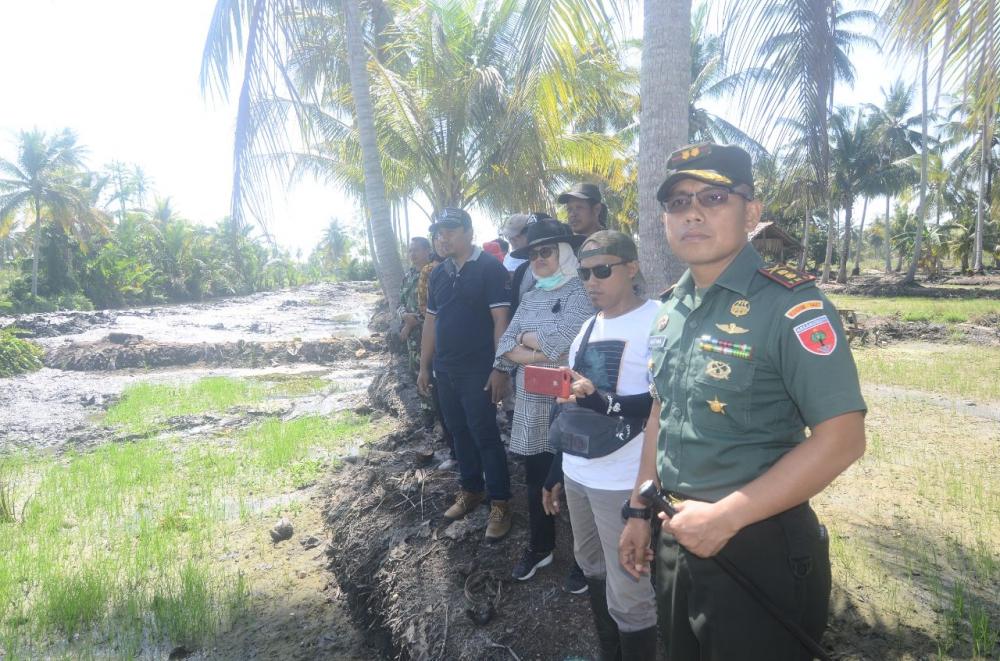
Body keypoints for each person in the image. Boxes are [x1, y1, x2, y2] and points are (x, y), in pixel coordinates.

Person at [618, 143, 867, 660]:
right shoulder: (669, 310)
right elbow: (662, 411)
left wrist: (726, 518)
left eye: (713, 197)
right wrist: (639, 510)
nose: (692, 212)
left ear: (751, 213)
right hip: (675, 531)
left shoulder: (792, 306)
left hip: (757, 542)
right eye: (678, 202)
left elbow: (843, 439)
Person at [540, 231, 660, 660]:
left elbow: (662, 403)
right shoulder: (588, 327)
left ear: (632, 268)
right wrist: (555, 470)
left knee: (630, 590)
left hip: (623, 479)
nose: (592, 282)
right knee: (591, 565)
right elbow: (570, 406)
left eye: (603, 271)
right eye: (585, 273)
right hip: (578, 473)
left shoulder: (659, 321)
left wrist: (601, 401)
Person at [493, 219, 594, 584]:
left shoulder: (582, 292)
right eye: (533, 254)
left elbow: (567, 340)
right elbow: (506, 344)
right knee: (536, 477)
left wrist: (527, 342)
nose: (538, 259)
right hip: (532, 402)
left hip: (570, 401)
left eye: (546, 252)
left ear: (564, 253)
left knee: (576, 480)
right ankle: (540, 547)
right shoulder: (531, 295)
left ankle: (585, 561)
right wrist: (537, 347)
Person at [417, 207, 514, 542]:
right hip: (445, 369)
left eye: (450, 231)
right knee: (458, 431)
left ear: (469, 233)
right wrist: (424, 366)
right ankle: (472, 489)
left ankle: (500, 502)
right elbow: (431, 322)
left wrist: (500, 367)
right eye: (439, 233)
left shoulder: (490, 268)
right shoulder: (438, 274)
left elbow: (501, 321)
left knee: (484, 433)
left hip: (478, 369)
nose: (442, 238)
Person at [399, 237, 433, 374]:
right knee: (415, 375)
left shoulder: (433, 273)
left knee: (430, 375)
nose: (412, 254)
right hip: (411, 339)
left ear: (427, 251)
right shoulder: (408, 276)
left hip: (429, 336)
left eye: (416, 250)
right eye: (410, 251)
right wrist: (404, 315)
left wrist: (410, 323)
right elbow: (400, 302)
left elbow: (435, 308)